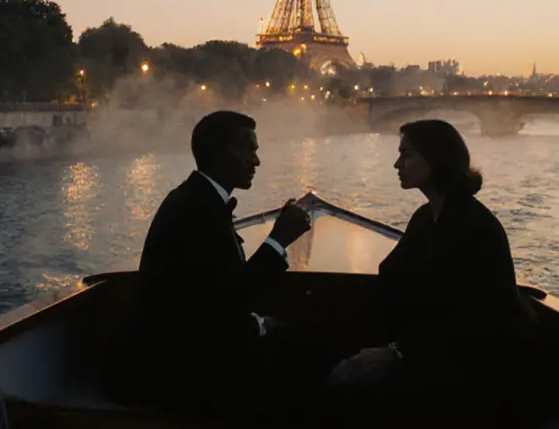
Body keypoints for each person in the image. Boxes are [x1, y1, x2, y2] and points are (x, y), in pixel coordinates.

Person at [106, 110, 315, 418]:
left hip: (186, 350)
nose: (256, 161)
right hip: (184, 370)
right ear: (219, 152)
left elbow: (211, 296)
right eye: (248, 149)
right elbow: (228, 302)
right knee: (309, 365)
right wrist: (279, 239)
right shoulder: (197, 211)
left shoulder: (193, 200)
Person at [327, 119, 534, 425]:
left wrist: (396, 354)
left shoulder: (475, 227)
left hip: (468, 369)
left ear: (436, 159)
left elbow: (476, 318)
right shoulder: (425, 217)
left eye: (406, 154)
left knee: (341, 383)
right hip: (428, 353)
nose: (397, 164)